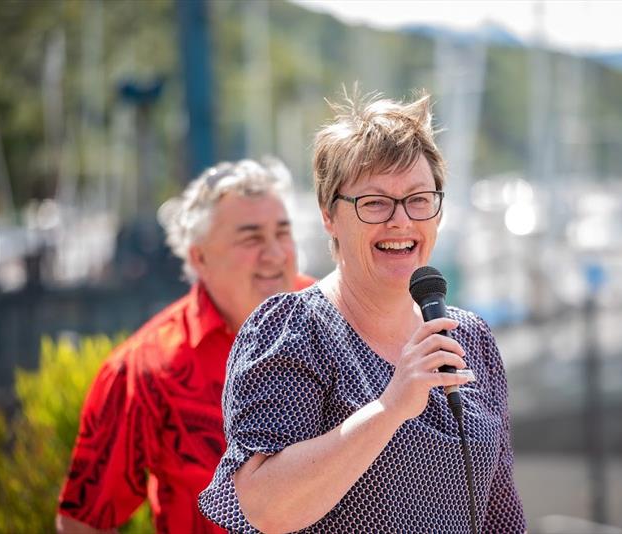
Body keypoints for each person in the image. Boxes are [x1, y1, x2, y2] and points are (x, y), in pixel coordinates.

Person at [199, 92, 526, 533]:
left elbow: (500, 512)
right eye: (374, 202)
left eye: (418, 199)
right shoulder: (293, 331)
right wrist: (390, 407)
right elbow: (265, 507)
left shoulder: (468, 337)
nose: (401, 221)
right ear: (329, 216)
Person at [56, 158, 315, 533]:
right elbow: (83, 521)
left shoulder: (337, 319)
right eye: (251, 238)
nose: (275, 254)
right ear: (199, 257)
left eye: (282, 232)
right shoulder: (143, 369)